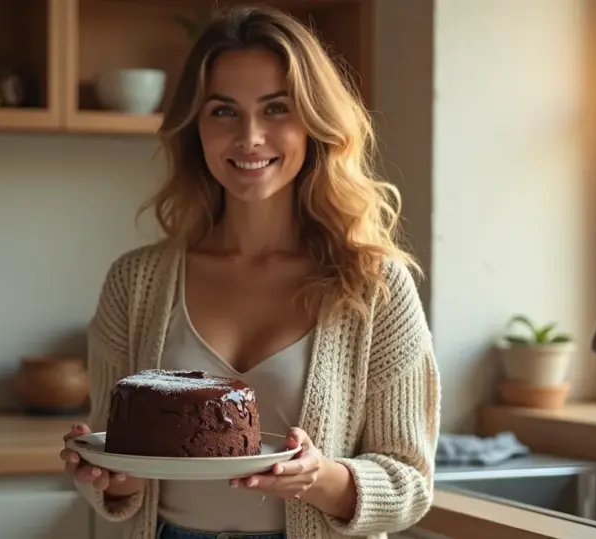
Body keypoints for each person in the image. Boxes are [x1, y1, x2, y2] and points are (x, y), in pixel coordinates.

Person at [59, 5, 441, 539]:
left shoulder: (375, 286)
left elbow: (411, 485)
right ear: (196, 127)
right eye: (223, 111)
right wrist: (109, 480)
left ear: (313, 122)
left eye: (276, 108)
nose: (250, 137)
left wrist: (319, 477)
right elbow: (112, 460)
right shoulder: (135, 283)